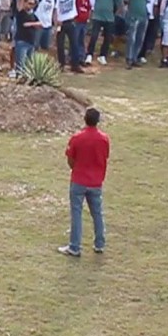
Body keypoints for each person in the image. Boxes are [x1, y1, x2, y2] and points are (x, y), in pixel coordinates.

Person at [58, 108, 109, 257]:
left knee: (76, 213)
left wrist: (75, 168)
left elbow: (70, 158)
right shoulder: (104, 139)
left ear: (85, 119)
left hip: (79, 180)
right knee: (97, 213)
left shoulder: (77, 138)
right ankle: (99, 244)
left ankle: (75, 246)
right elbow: (104, 157)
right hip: (96, 182)